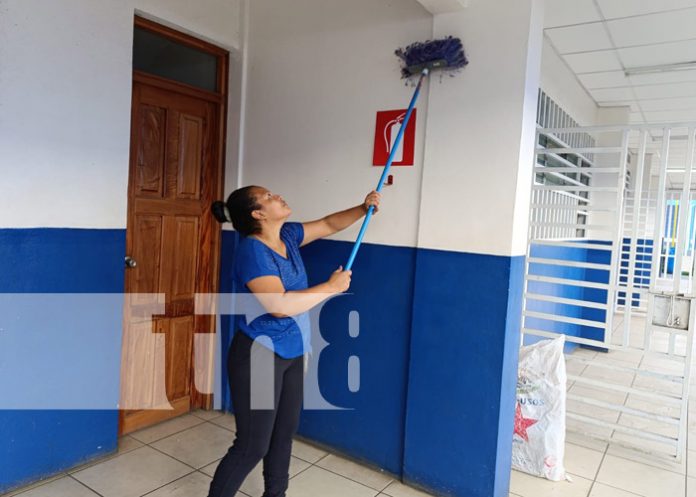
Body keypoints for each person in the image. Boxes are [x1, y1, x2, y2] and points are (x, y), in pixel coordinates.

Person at [207, 185, 380, 497]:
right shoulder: (252, 251)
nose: (278, 196)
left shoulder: (287, 234)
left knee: (282, 434)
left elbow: (328, 224)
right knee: (252, 446)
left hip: (293, 350)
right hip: (259, 355)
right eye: (269, 197)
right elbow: (279, 306)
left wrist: (362, 208)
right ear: (257, 214)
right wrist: (330, 287)